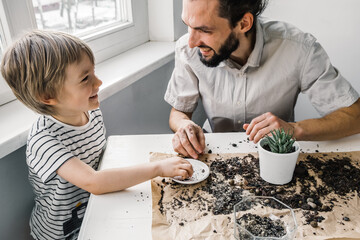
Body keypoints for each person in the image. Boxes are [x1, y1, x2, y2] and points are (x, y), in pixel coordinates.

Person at [1, 30, 193, 240]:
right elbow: (94, 182)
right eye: (85, 78)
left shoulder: (90, 111)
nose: (98, 82)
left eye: (94, 72)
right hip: (63, 233)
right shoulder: (44, 141)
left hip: (96, 209)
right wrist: (157, 167)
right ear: (47, 96)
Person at [164, 0, 360, 159]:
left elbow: (355, 116)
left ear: (243, 24)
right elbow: (179, 112)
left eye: (205, 30)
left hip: (278, 156)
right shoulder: (187, 49)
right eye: (188, 26)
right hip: (212, 154)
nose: (191, 42)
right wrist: (184, 126)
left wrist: (294, 129)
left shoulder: (299, 48)